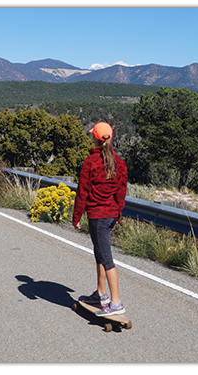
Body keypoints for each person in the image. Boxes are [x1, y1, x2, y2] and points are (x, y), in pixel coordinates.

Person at [72, 122, 128, 317]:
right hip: (111, 214)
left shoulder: (91, 162)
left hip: (98, 215)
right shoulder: (120, 163)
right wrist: (119, 212)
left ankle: (116, 302)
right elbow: (121, 192)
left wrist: (76, 216)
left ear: (95, 138)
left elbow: (83, 192)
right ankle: (100, 293)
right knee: (100, 253)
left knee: (106, 258)